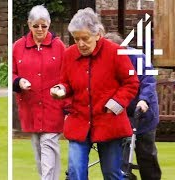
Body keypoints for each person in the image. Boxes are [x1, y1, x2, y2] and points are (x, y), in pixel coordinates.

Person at [50, 8, 139, 179]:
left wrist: (117, 103)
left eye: (85, 38)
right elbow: (66, 82)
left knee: (112, 173)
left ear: (98, 34)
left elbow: (131, 82)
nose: (81, 44)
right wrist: (61, 90)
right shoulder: (69, 55)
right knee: (75, 171)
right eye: (76, 39)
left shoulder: (116, 52)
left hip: (109, 121)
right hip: (79, 121)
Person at [13, 5, 67, 180]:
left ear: (49, 24)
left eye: (44, 26)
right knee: (39, 152)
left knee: (49, 145)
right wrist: (19, 81)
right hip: (30, 107)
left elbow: (68, 75)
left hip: (53, 106)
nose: (40, 30)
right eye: (36, 26)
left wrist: (61, 88)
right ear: (29, 24)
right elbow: (12, 74)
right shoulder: (18, 47)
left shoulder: (59, 46)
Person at [104, 32, 162, 180]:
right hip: (121, 114)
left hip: (144, 114)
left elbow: (148, 81)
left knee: (146, 154)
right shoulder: (106, 61)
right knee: (122, 158)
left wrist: (143, 100)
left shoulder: (138, 58)